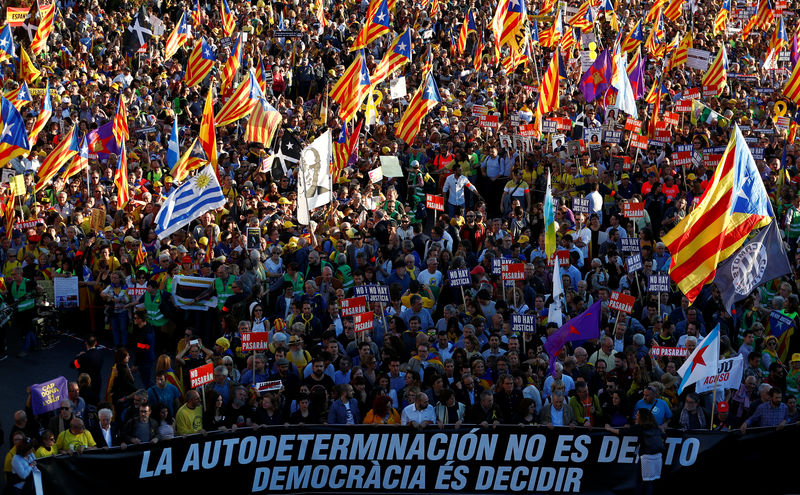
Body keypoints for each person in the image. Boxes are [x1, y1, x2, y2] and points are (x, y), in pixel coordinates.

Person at [605, 408, 666, 495]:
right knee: (649, 482)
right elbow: (664, 435)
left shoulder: (640, 427)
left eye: (637, 415)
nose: (635, 416)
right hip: (657, 457)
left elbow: (622, 432)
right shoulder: (655, 426)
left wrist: (609, 429)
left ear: (642, 417)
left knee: (641, 482)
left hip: (646, 458)